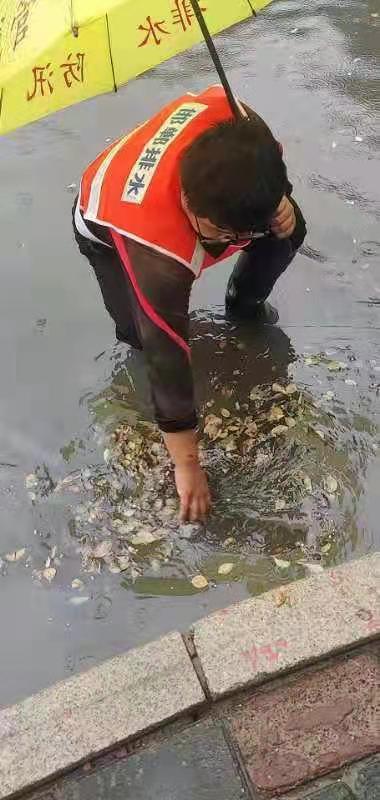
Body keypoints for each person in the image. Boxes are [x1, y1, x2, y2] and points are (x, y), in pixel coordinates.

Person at [73, 85, 307, 522]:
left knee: (290, 231)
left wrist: (283, 201)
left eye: (241, 234)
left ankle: (244, 304)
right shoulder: (156, 255)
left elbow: (274, 180)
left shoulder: (244, 126)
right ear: (187, 200)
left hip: (214, 201)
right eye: (223, 233)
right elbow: (168, 356)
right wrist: (187, 464)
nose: (232, 242)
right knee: (143, 335)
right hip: (108, 223)